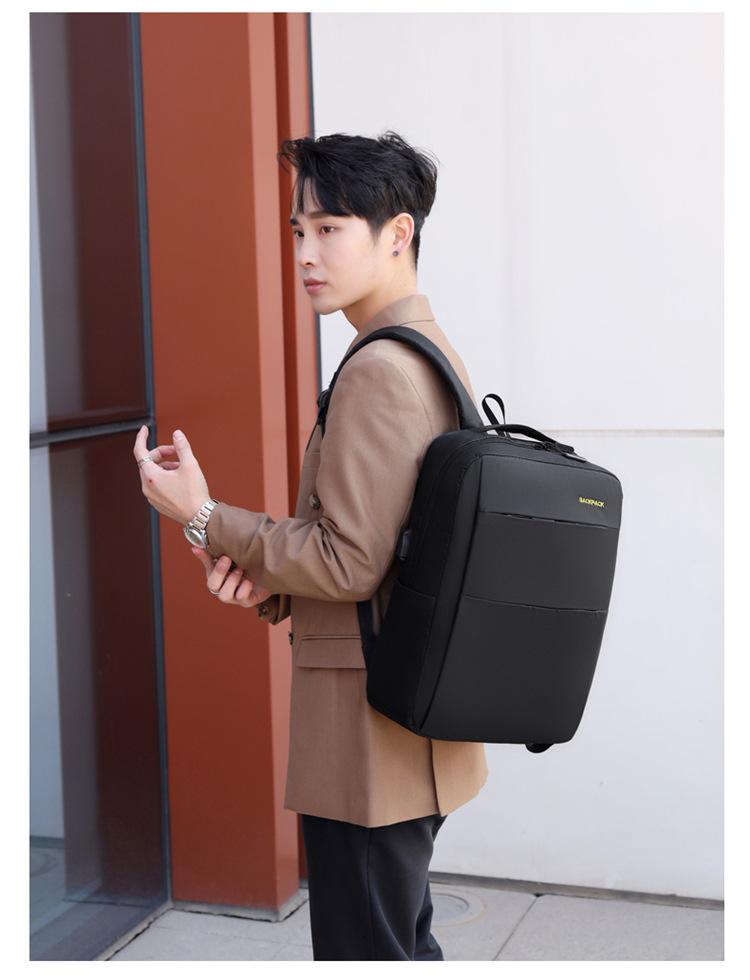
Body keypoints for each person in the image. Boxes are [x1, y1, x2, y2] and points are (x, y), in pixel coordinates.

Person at [134, 130, 488, 960]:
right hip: (403, 731)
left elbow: (350, 559)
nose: (305, 252)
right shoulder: (425, 352)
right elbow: (388, 552)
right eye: (300, 230)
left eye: (330, 228)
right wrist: (271, 584)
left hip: (366, 744)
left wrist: (202, 515)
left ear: (397, 234)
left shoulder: (378, 371)